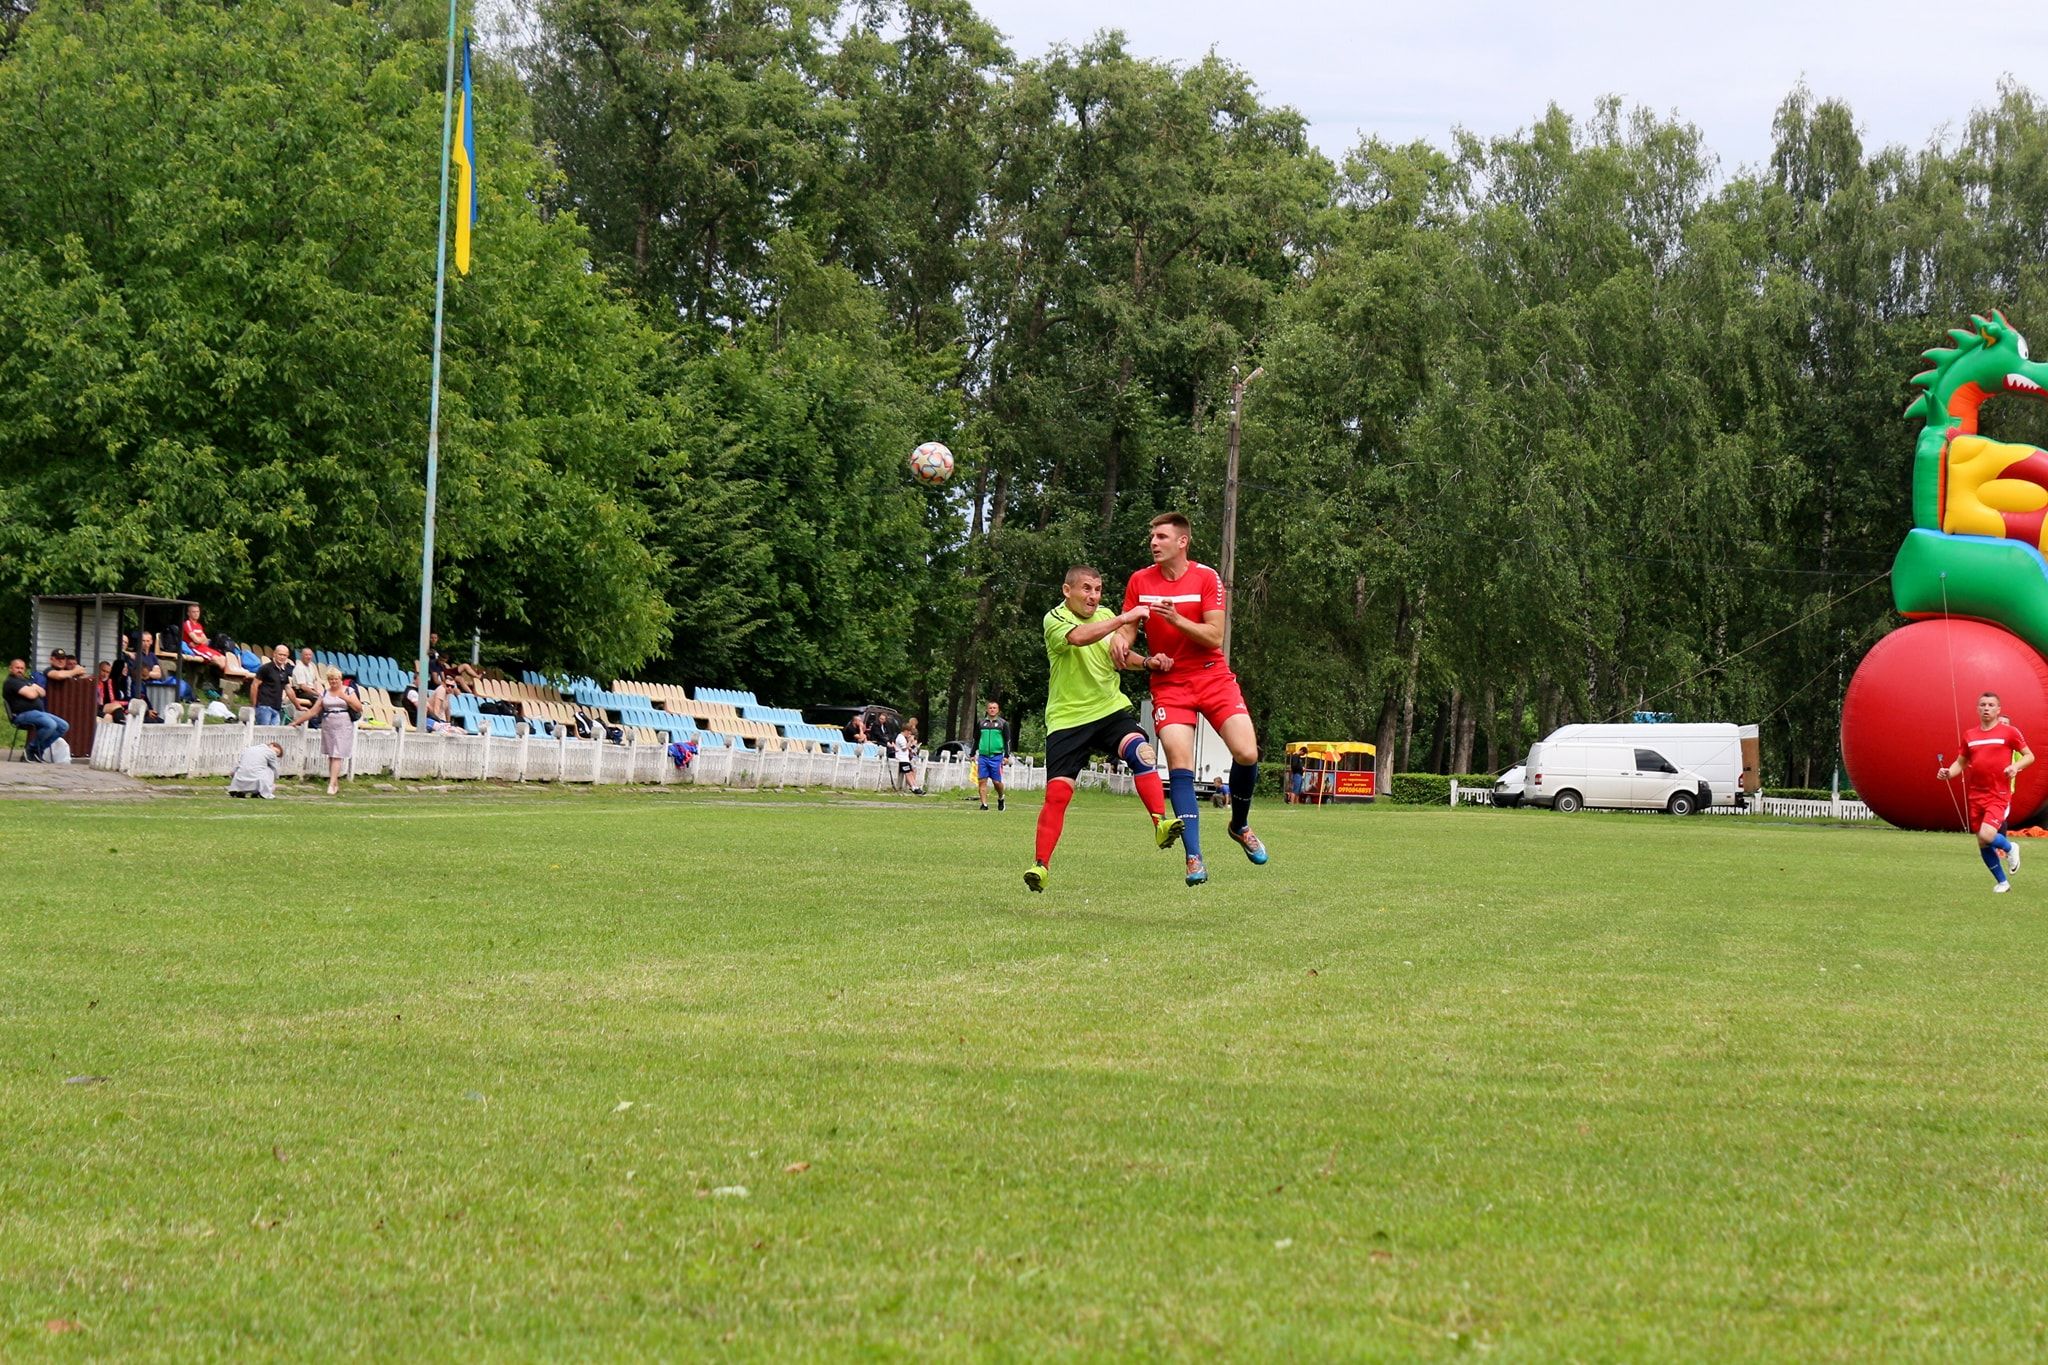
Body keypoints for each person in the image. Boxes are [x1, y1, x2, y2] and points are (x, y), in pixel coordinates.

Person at [1116, 511, 1269, 887]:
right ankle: (1193, 856)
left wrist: (1176, 620)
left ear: (1182, 542)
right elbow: (1127, 630)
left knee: (1247, 753)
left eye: (1162, 537)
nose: (1154, 542)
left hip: (1212, 675)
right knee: (1179, 764)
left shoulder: (1206, 577)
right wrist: (1122, 643)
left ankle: (1239, 825)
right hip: (1170, 683)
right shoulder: (1140, 581)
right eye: (1152, 536)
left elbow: (1214, 636)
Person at [1023, 565, 1184, 893]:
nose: (1093, 596)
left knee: (1142, 752)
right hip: (1068, 719)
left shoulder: (1106, 615)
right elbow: (1080, 638)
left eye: (1097, 589)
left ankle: (1160, 822)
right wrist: (1126, 619)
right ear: (1067, 591)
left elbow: (1118, 656)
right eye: (1086, 589)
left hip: (1109, 711)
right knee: (1058, 794)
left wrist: (1149, 662)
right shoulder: (1055, 619)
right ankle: (1040, 866)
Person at [1937, 690, 2035, 893]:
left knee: (1987, 834)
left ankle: (2010, 848)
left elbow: (2029, 756)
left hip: (1998, 793)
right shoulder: (1970, 735)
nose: (1986, 708)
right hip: (1976, 794)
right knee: (1982, 840)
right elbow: (1961, 762)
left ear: (1999, 709)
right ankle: (2002, 882)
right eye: (1983, 705)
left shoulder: (2009, 732)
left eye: (1991, 705)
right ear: (1977, 709)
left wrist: (2015, 767)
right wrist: (1949, 773)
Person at [289, 666, 361, 795]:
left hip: (343, 723)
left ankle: (332, 783)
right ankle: (335, 783)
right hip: (328, 723)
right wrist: (297, 722)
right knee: (331, 754)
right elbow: (314, 711)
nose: (333, 682)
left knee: (337, 754)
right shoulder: (325, 693)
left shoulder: (349, 691)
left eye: (336, 679)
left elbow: (358, 707)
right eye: (331, 679)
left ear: (340, 679)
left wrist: (345, 698)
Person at [4, 657, 69, 762]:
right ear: (10, 669)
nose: (20, 670)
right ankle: (31, 749)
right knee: (50, 725)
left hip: (37, 713)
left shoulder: (24, 681)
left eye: (22, 668)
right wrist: (34, 688)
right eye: (17, 668)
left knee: (63, 726)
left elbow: (43, 692)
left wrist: (34, 688)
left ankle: (38, 750)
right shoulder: (11, 682)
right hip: (21, 715)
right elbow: (31, 694)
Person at [179, 603, 251, 678]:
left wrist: (199, 640)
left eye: (198, 611)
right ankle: (233, 676)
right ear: (188, 613)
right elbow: (196, 640)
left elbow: (205, 640)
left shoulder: (198, 625)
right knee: (218, 660)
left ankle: (236, 670)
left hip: (204, 647)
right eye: (193, 612)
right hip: (196, 649)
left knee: (224, 658)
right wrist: (199, 640)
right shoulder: (187, 623)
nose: (196, 614)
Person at [975, 701, 1012, 811]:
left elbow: (1007, 741)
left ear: (998, 710)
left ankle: (1001, 797)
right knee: (982, 781)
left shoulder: (1003, 724)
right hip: (983, 756)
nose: (992, 709)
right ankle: (984, 805)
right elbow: (976, 739)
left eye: (994, 708)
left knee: (996, 782)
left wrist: (1006, 756)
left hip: (996, 756)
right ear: (987, 710)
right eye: (990, 708)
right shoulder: (981, 723)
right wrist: (972, 753)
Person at [252, 645, 295, 726]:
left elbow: (288, 689)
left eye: (284, 655)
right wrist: (254, 705)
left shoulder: (284, 671)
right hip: (264, 706)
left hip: (276, 708)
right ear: (274, 654)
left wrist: (298, 705)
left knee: (274, 736)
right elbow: (254, 685)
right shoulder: (266, 668)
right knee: (264, 734)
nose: (282, 657)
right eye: (280, 654)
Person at [894, 718, 926, 795]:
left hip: (905, 759)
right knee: (908, 773)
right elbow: (904, 748)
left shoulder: (903, 738)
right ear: (905, 731)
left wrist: (910, 748)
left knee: (910, 772)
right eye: (908, 732)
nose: (909, 734)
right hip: (902, 759)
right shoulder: (900, 738)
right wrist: (910, 741)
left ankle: (916, 787)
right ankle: (913, 787)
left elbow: (906, 747)